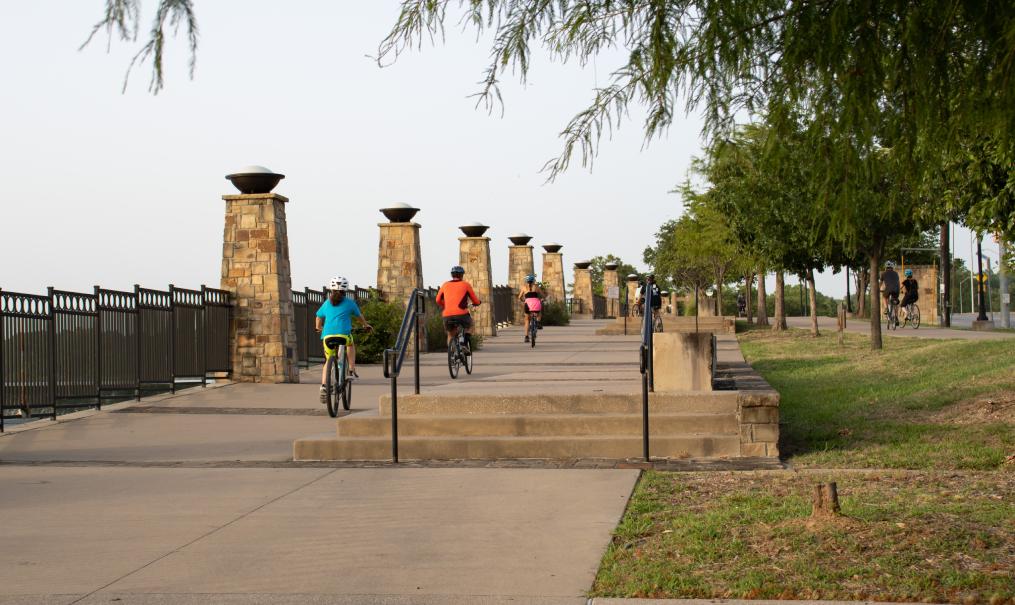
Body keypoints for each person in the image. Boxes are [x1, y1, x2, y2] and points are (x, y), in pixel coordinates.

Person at [315, 276, 372, 404]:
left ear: (331, 289)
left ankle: (324, 386)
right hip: (343, 335)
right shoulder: (350, 303)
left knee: (327, 361)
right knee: (350, 344)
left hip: (327, 337)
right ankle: (351, 369)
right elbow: (359, 316)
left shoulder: (326, 303)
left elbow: (318, 317)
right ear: (345, 290)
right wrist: (365, 325)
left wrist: (318, 328)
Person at [435, 265, 482, 353]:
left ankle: (452, 354)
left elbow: (437, 300)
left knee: (450, 333)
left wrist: (446, 305)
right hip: (461, 314)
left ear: (452, 275)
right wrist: (477, 303)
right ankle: (464, 344)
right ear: (462, 275)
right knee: (470, 325)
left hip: (447, 314)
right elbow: (475, 300)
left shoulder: (445, 285)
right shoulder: (466, 285)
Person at [518, 274, 544, 342]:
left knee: (527, 320)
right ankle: (538, 322)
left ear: (526, 281)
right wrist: (542, 299)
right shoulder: (536, 287)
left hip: (527, 304)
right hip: (536, 303)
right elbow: (543, 295)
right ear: (533, 281)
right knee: (539, 312)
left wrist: (523, 300)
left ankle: (526, 337)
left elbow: (519, 297)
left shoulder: (524, 287)